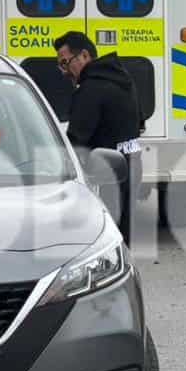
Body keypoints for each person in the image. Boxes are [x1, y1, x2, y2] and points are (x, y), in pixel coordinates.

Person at [55, 31, 143, 241]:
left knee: (104, 239)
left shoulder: (90, 89)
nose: (64, 71)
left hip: (106, 175)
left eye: (65, 63)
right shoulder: (123, 79)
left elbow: (77, 141)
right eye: (60, 65)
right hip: (131, 164)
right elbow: (139, 122)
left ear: (84, 55)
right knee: (123, 235)